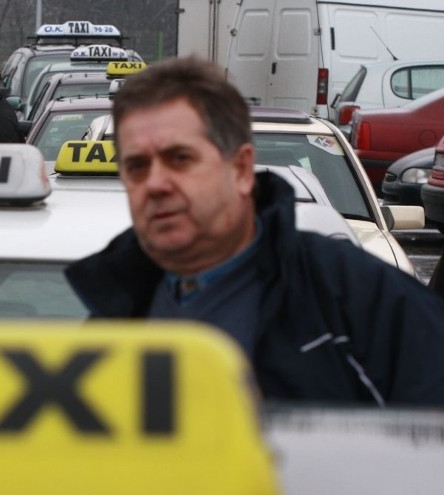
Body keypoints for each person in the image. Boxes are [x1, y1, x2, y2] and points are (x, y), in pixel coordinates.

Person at [65, 56, 444, 406]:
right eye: (137, 166)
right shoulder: (114, 315)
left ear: (242, 169)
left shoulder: (355, 298)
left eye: (180, 158)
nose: (156, 183)